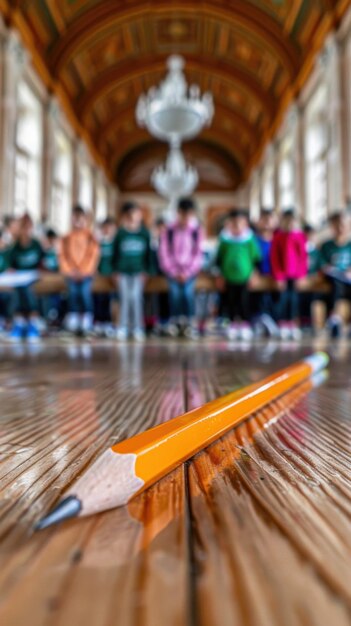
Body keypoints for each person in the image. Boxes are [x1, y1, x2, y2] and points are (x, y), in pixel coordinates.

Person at [159, 197, 204, 339]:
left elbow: (198, 253)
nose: (185, 217)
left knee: (187, 294)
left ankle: (189, 323)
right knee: (175, 294)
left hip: (190, 272)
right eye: (182, 214)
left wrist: (188, 271)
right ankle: (176, 322)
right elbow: (164, 252)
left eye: (189, 214)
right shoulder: (169, 231)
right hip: (172, 271)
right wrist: (173, 271)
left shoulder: (197, 231)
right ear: (178, 213)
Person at [215, 208, 261, 341]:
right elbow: (219, 259)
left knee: (244, 301)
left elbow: (256, 259)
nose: (236, 225)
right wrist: (220, 275)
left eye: (240, 222)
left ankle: (244, 325)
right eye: (233, 222)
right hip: (228, 277)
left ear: (245, 223)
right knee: (230, 301)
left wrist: (254, 274)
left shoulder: (249, 239)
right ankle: (232, 325)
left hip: (245, 277)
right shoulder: (225, 239)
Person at [112, 201, 151, 341]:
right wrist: (115, 270)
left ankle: (137, 327)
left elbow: (148, 254)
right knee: (124, 299)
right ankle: (122, 326)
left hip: (138, 272)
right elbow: (114, 253)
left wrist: (146, 270)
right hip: (122, 271)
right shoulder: (120, 233)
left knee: (136, 298)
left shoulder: (144, 233)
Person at [59, 205, 100, 336]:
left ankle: (86, 319)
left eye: (80, 219)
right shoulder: (66, 237)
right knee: (72, 293)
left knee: (84, 293)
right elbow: (62, 255)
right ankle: (73, 318)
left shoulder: (91, 237)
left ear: (86, 220)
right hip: (71, 274)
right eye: (75, 219)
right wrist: (70, 270)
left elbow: (93, 255)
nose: (78, 222)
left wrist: (84, 270)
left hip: (85, 274)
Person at [270, 209, 307, 340]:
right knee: (282, 299)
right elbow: (274, 257)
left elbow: (303, 257)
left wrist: (302, 275)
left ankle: (292, 323)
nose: (290, 225)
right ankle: (282, 323)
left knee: (294, 299)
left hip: (295, 275)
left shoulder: (300, 237)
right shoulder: (278, 237)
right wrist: (278, 276)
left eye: (293, 222)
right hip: (283, 275)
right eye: (287, 222)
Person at [8, 213, 44, 342]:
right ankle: (20, 322)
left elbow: (43, 262)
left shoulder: (36, 244)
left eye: (29, 227)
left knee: (28, 289)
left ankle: (32, 322)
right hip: (19, 278)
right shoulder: (15, 246)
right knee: (19, 289)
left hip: (34, 277)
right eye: (24, 227)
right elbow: (10, 264)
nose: (26, 230)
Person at [320, 211, 351, 337]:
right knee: (335, 285)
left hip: (348, 279)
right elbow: (322, 264)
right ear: (332, 227)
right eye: (337, 225)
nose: (340, 228)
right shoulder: (326, 246)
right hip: (332, 279)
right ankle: (334, 318)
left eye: (343, 225)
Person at [254, 209, 279, 337]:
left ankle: (276, 321)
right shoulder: (253, 240)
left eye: (270, 219)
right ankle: (260, 319)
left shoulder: (279, 239)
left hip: (276, 276)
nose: (267, 223)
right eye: (264, 219)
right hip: (259, 275)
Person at [95, 217, 117, 336]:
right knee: (99, 299)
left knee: (112, 301)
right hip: (100, 276)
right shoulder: (99, 244)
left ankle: (110, 323)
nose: (107, 230)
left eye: (110, 227)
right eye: (105, 227)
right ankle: (99, 322)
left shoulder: (115, 243)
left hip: (112, 278)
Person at [0, 229, 12, 334]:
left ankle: (6, 321)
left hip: (5, 285)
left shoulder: (7, 253)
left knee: (8, 295)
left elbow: (10, 271)